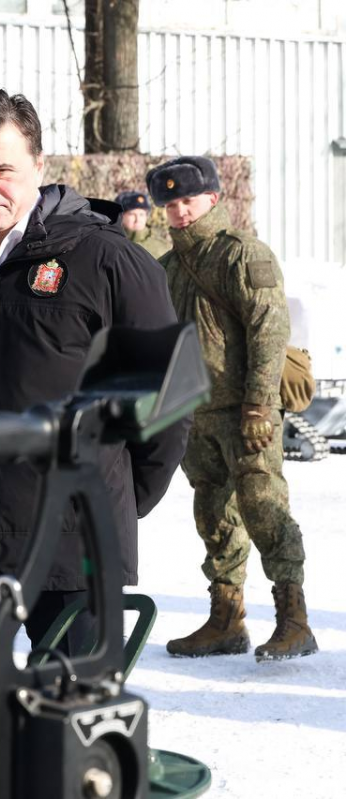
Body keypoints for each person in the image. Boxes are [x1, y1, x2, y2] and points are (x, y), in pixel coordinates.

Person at [0, 89, 187, 769]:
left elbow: (165, 411)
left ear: (38, 162)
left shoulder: (108, 261)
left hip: (73, 558)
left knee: (63, 758)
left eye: (1, 168)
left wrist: (109, 505)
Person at [148, 156, 317, 661]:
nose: (179, 211)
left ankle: (295, 619)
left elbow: (270, 330)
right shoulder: (169, 266)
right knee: (214, 516)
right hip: (195, 414)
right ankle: (227, 619)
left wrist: (260, 405)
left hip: (246, 413)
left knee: (265, 510)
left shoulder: (242, 254)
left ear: (213, 199)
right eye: (171, 203)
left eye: (189, 200)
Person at [115, 189, 169, 258]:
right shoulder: (110, 244)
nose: (138, 219)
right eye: (132, 214)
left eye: (141, 214)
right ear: (121, 217)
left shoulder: (162, 246)